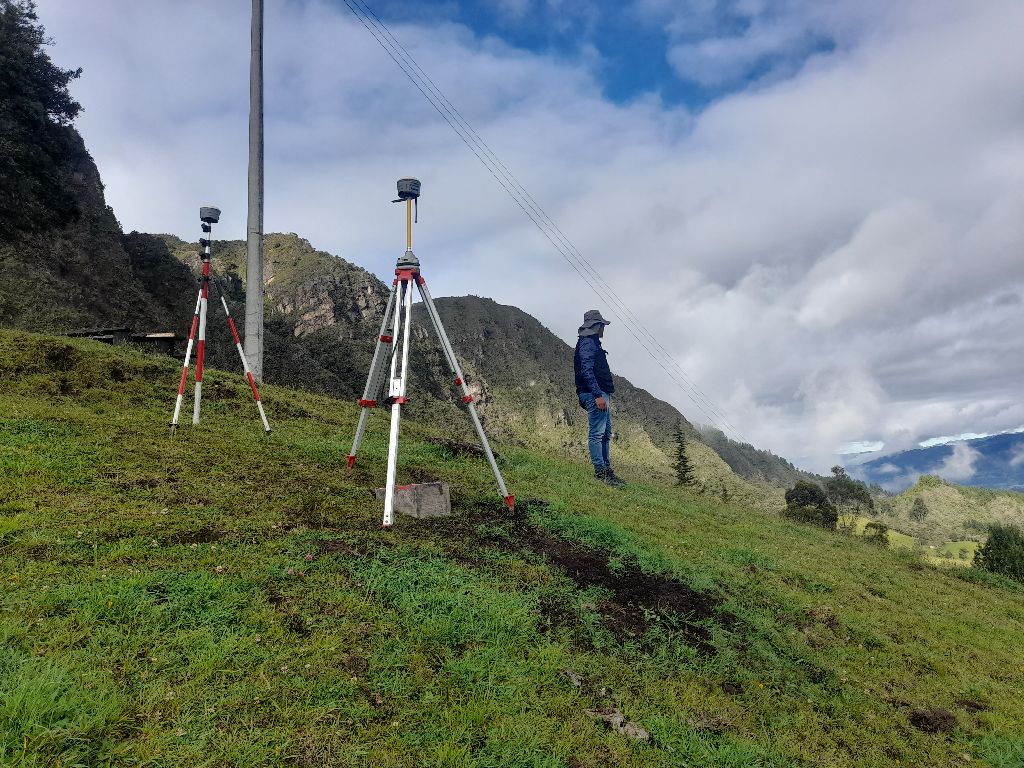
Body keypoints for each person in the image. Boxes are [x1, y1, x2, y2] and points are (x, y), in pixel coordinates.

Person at [574, 310, 625, 487]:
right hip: (595, 394)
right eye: (602, 325)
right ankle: (601, 473)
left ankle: (607, 471)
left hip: (600, 393)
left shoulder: (591, 343)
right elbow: (586, 371)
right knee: (597, 433)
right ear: (596, 326)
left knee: (605, 434)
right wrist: (597, 395)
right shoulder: (588, 343)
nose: (604, 328)